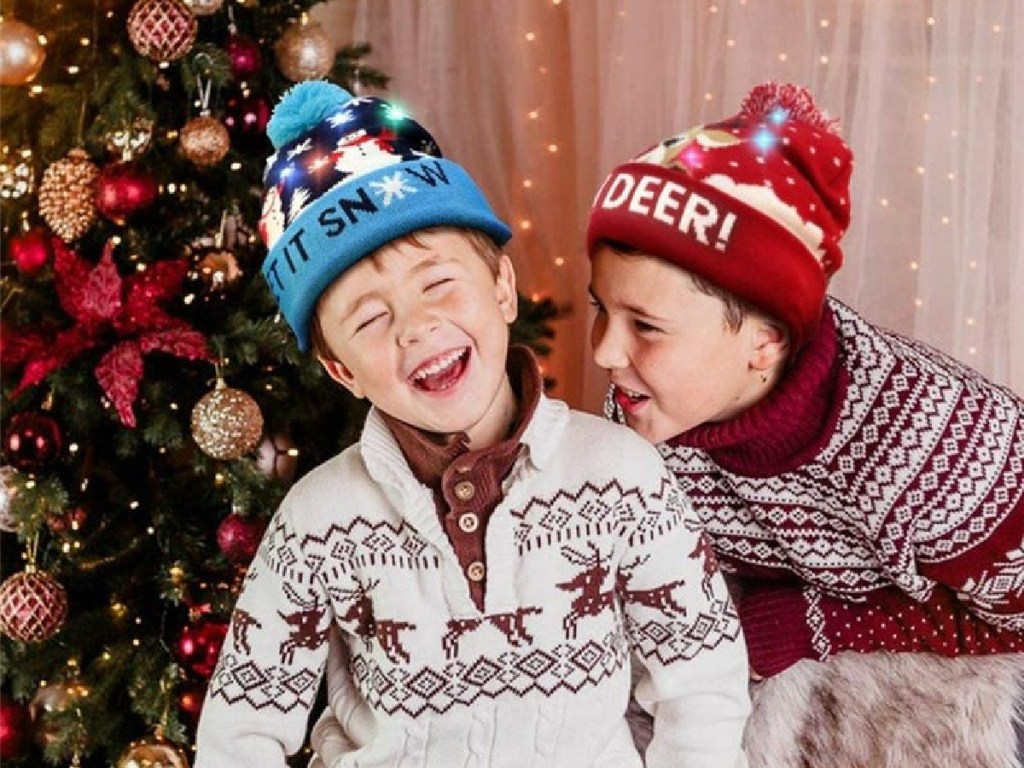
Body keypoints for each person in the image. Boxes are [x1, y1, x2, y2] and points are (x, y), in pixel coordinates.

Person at [194, 80, 751, 768]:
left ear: (502, 289)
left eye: (437, 284)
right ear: (342, 372)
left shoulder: (623, 475)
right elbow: (238, 734)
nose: (417, 326)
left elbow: (702, 688)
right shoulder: (316, 521)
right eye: (369, 319)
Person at [585, 81, 1024, 767]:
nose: (605, 353)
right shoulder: (646, 409)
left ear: (763, 342)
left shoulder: (944, 446)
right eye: (602, 311)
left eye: (645, 326)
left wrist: (804, 620)